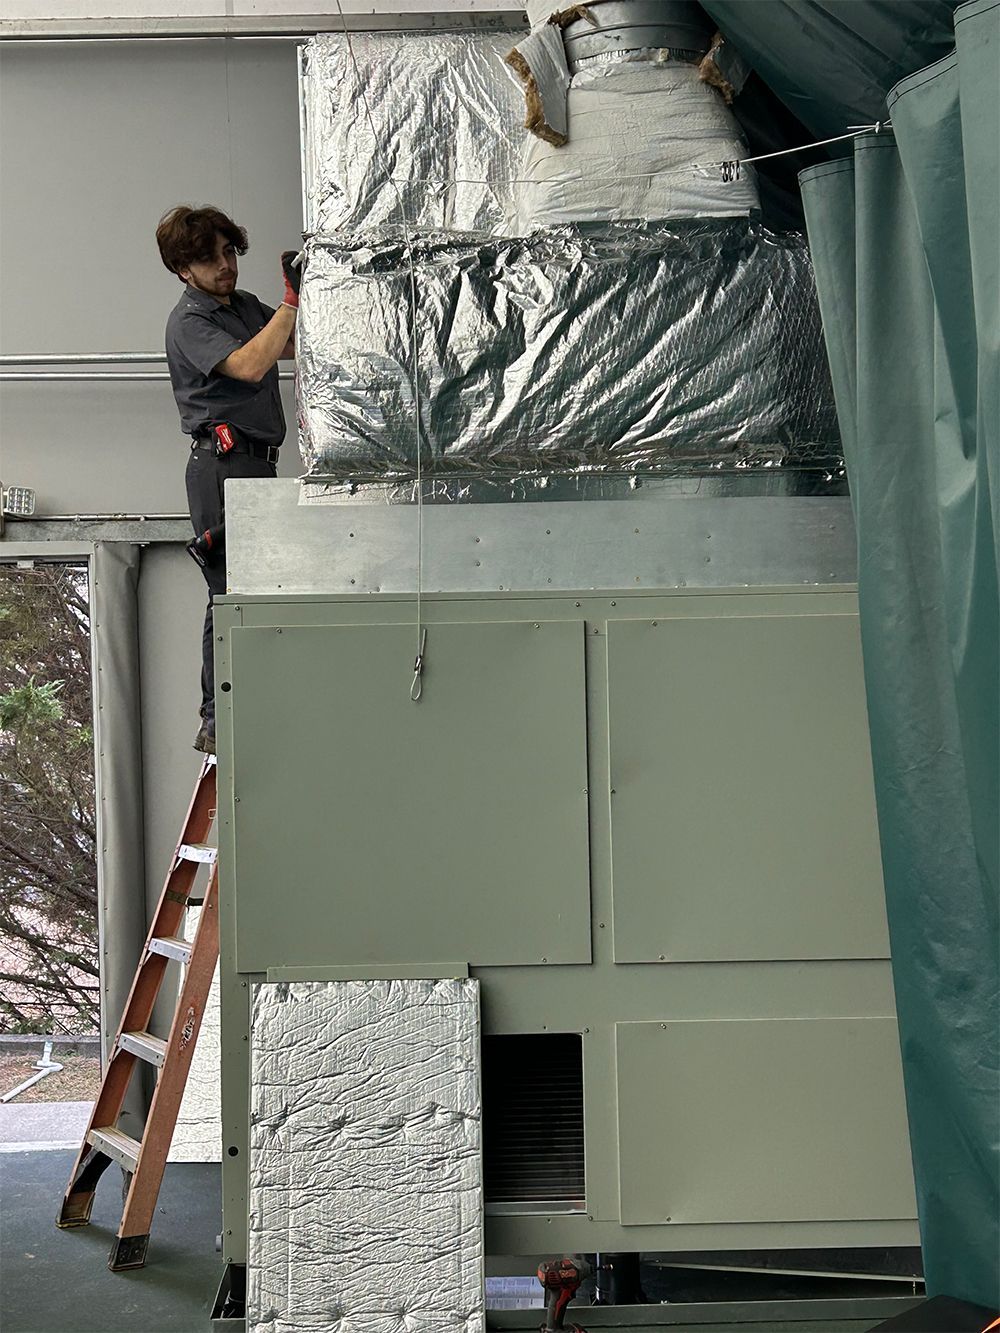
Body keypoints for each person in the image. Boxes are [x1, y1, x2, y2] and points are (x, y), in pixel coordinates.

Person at [155, 205, 302, 754]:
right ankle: (217, 716)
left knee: (255, 588)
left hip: (257, 463)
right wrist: (291, 300)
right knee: (229, 589)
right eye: (209, 258)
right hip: (223, 465)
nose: (225, 265)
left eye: (229, 252)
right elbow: (251, 365)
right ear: (182, 268)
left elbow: (287, 344)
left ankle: (248, 693)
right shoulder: (189, 321)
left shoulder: (240, 306)